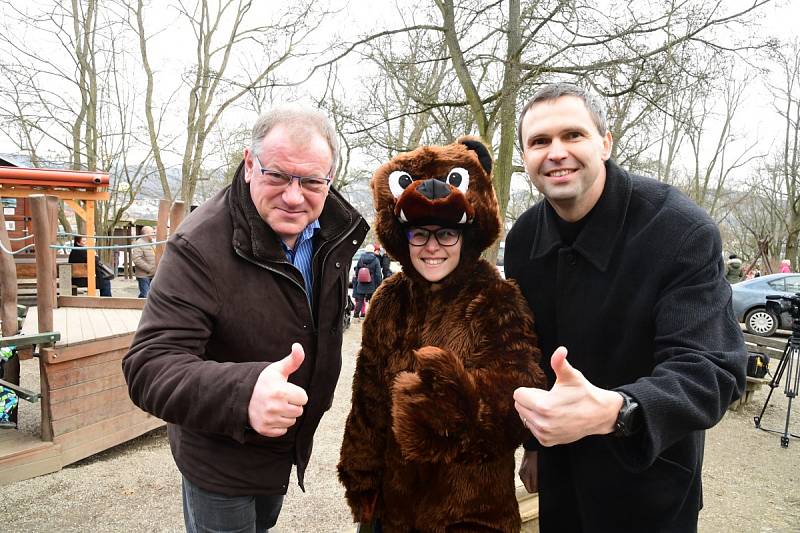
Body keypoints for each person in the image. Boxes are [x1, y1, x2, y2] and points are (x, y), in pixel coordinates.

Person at [507, 83, 746, 533]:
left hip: (651, 489)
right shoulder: (522, 238)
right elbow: (529, 355)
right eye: (539, 141)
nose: (556, 152)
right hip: (561, 482)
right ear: (525, 158)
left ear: (605, 142)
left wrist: (619, 408)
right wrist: (532, 446)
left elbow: (712, 368)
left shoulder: (679, 229)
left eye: (572, 135)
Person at [122, 107, 368, 533]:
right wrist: (245, 394)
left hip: (282, 445)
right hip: (219, 455)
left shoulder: (333, 230)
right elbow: (149, 365)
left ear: (329, 179)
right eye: (277, 176)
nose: (294, 196)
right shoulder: (199, 245)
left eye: (311, 181)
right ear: (250, 164)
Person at [338, 137, 545, 531]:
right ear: (404, 238)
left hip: (472, 511)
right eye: (420, 234)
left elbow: (522, 391)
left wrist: (459, 409)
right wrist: (362, 478)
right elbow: (368, 399)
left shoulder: (495, 298)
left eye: (446, 234)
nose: (432, 247)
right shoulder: (388, 301)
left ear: (464, 236)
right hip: (396, 507)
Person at [352, 244, 382, 319]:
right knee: (372, 301)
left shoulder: (361, 259)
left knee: (360, 300)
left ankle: (356, 315)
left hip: (361, 283)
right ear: (373, 250)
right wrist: (379, 284)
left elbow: (357, 271)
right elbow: (378, 274)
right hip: (372, 284)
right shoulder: (375, 260)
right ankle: (371, 316)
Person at [131, 226, 156, 297]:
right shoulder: (139, 243)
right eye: (152, 232)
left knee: (150, 295)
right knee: (145, 295)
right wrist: (149, 268)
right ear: (146, 233)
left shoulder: (153, 243)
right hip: (144, 275)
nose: (154, 234)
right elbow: (136, 259)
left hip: (153, 274)